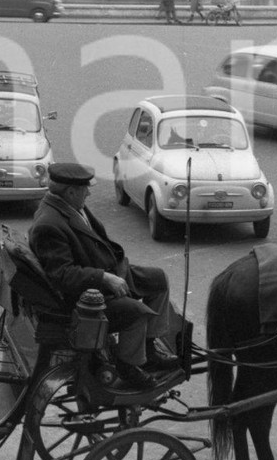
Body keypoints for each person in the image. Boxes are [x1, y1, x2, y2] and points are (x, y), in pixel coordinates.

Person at [29, 163, 179, 390]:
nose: (88, 193)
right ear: (70, 191)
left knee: (158, 279)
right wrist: (105, 278)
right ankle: (128, 364)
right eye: (84, 189)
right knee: (138, 314)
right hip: (86, 298)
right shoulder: (49, 224)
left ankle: (150, 348)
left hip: (107, 273)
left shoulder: (69, 205)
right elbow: (63, 276)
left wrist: (113, 274)